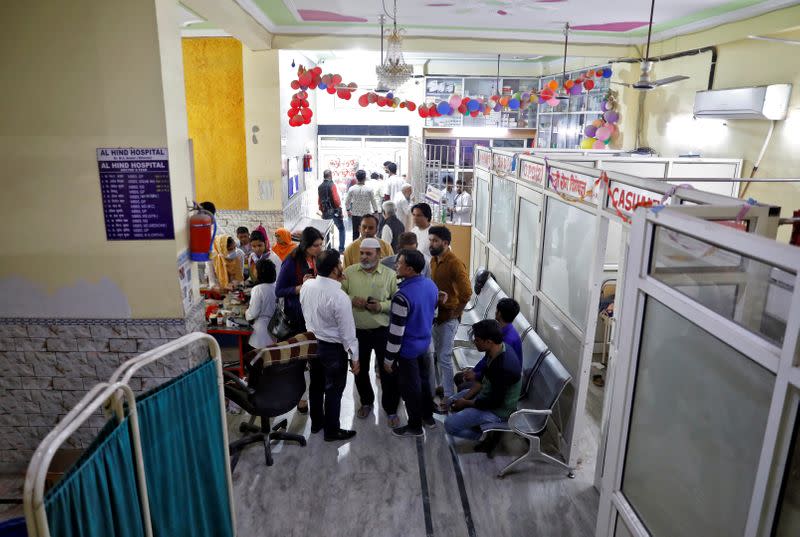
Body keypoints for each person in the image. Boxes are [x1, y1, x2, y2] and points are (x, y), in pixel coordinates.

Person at [300, 249, 360, 442]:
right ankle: (332, 431)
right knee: (333, 389)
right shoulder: (339, 296)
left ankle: (317, 424)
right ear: (335, 269)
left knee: (316, 386)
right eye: (340, 264)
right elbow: (347, 333)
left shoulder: (307, 285)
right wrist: (355, 358)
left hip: (312, 344)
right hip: (332, 349)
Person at [340, 238, 401, 426]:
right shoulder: (349, 273)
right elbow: (339, 295)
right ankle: (366, 402)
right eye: (362, 253)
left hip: (383, 331)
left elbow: (398, 301)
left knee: (388, 370)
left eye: (368, 253)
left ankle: (391, 409)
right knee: (360, 370)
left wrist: (381, 306)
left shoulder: (390, 275)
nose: (364, 257)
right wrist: (351, 299)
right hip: (357, 333)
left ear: (378, 254)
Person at [384, 249, 440, 437]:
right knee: (424, 383)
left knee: (411, 389)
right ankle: (428, 417)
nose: (395, 265)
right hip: (425, 344)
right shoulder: (431, 285)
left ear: (409, 269)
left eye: (399, 263)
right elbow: (432, 313)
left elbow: (396, 333)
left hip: (407, 351)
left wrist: (389, 359)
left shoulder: (402, 296)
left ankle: (415, 426)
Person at [444, 319, 522, 452]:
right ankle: (473, 421)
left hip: (498, 410)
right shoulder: (497, 349)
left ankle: (483, 437)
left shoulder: (504, 367)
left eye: (477, 339)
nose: (475, 342)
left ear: (488, 342)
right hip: (488, 395)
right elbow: (483, 379)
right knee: (453, 400)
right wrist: (465, 399)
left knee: (449, 425)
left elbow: (493, 403)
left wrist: (466, 403)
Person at [429, 225, 472, 410]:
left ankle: (448, 396)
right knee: (437, 355)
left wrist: (455, 313)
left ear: (445, 243)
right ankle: (441, 387)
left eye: (435, 241)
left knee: (445, 356)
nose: (431, 244)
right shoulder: (433, 260)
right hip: (436, 316)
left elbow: (467, 293)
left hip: (449, 318)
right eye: (430, 240)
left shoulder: (454, 263)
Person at [456, 298, 523, 395]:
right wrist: (474, 371)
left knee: (462, 384)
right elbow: (487, 359)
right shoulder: (502, 331)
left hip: (501, 381)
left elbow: (496, 368)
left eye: (496, 310)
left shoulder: (508, 339)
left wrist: (476, 375)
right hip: (492, 373)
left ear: (499, 313)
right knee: (459, 377)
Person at [275, 227, 324, 334]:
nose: (320, 248)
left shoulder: (316, 257)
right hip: (297, 314)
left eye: (321, 244)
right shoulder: (291, 262)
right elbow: (278, 291)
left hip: (314, 311)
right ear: (306, 245)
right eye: (316, 245)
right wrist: (300, 288)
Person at [245, 258, 277, 349]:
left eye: (256, 270)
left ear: (261, 273)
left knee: (258, 359)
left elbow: (253, 313)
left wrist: (246, 313)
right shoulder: (276, 286)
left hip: (261, 333)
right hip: (275, 329)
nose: (254, 272)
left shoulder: (258, 289)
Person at [345, 170, 378, 241]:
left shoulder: (352, 189)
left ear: (356, 178)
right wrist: (375, 211)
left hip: (355, 214)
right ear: (365, 178)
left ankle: (355, 249)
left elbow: (347, 202)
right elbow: (373, 201)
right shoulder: (369, 189)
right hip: (367, 215)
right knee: (367, 233)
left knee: (355, 234)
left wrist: (348, 210)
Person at [318, 169, 346, 253]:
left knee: (327, 231)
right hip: (334, 212)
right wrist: (339, 208)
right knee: (341, 228)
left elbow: (319, 200)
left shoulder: (320, 186)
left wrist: (321, 209)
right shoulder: (332, 185)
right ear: (330, 175)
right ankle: (341, 249)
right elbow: (336, 199)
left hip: (325, 212)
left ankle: (328, 249)